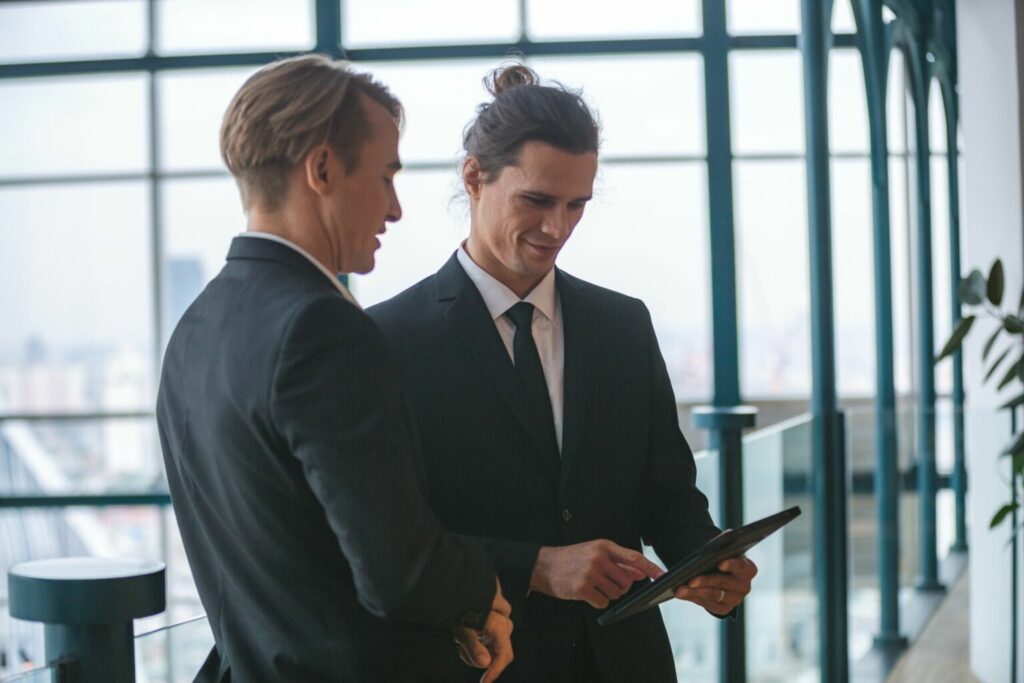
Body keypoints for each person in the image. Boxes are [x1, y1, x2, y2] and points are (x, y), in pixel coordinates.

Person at [367, 64, 757, 682]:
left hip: (626, 665)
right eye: (537, 200)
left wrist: (707, 561)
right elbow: (394, 540)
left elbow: (667, 494)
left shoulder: (623, 325)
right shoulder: (388, 340)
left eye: (578, 204)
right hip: (481, 666)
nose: (559, 227)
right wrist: (541, 567)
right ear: (474, 176)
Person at [156, 54, 513, 683]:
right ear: (322, 169)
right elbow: (399, 573)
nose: (396, 208)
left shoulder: (195, 328)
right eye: (384, 177)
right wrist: (482, 592)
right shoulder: (321, 330)